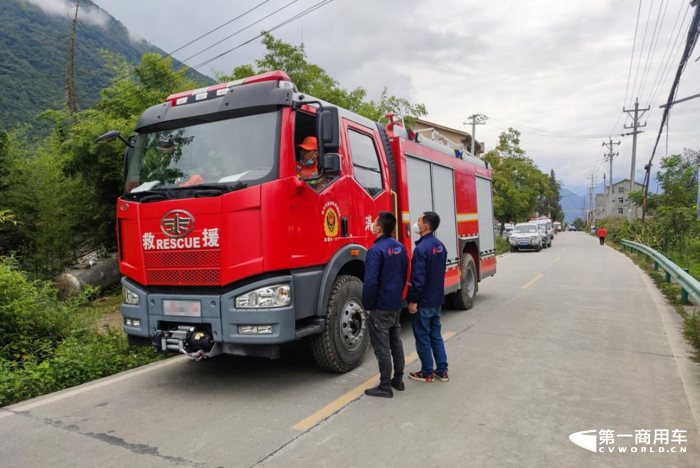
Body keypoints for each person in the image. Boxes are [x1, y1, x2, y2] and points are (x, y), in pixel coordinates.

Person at [362, 212, 409, 398]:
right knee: (395, 343)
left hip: (380, 306)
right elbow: (404, 272)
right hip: (395, 302)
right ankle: (398, 380)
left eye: (374, 222)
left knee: (382, 348)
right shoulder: (400, 247)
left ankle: (384, 387)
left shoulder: (375, 250)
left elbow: (371, 281)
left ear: (379, 228)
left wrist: (367, 304)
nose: (372, 224)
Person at [407, 212, 449, 383]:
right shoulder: (440, 246)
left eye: (418, 221)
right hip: (436, 299)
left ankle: (426, 373)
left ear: (425, 226)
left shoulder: (421, 249)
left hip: (423, 302)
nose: (416, 223)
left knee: (423, 337)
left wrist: (413, 301)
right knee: (436, 335)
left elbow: (418, 279)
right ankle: (442, 370)